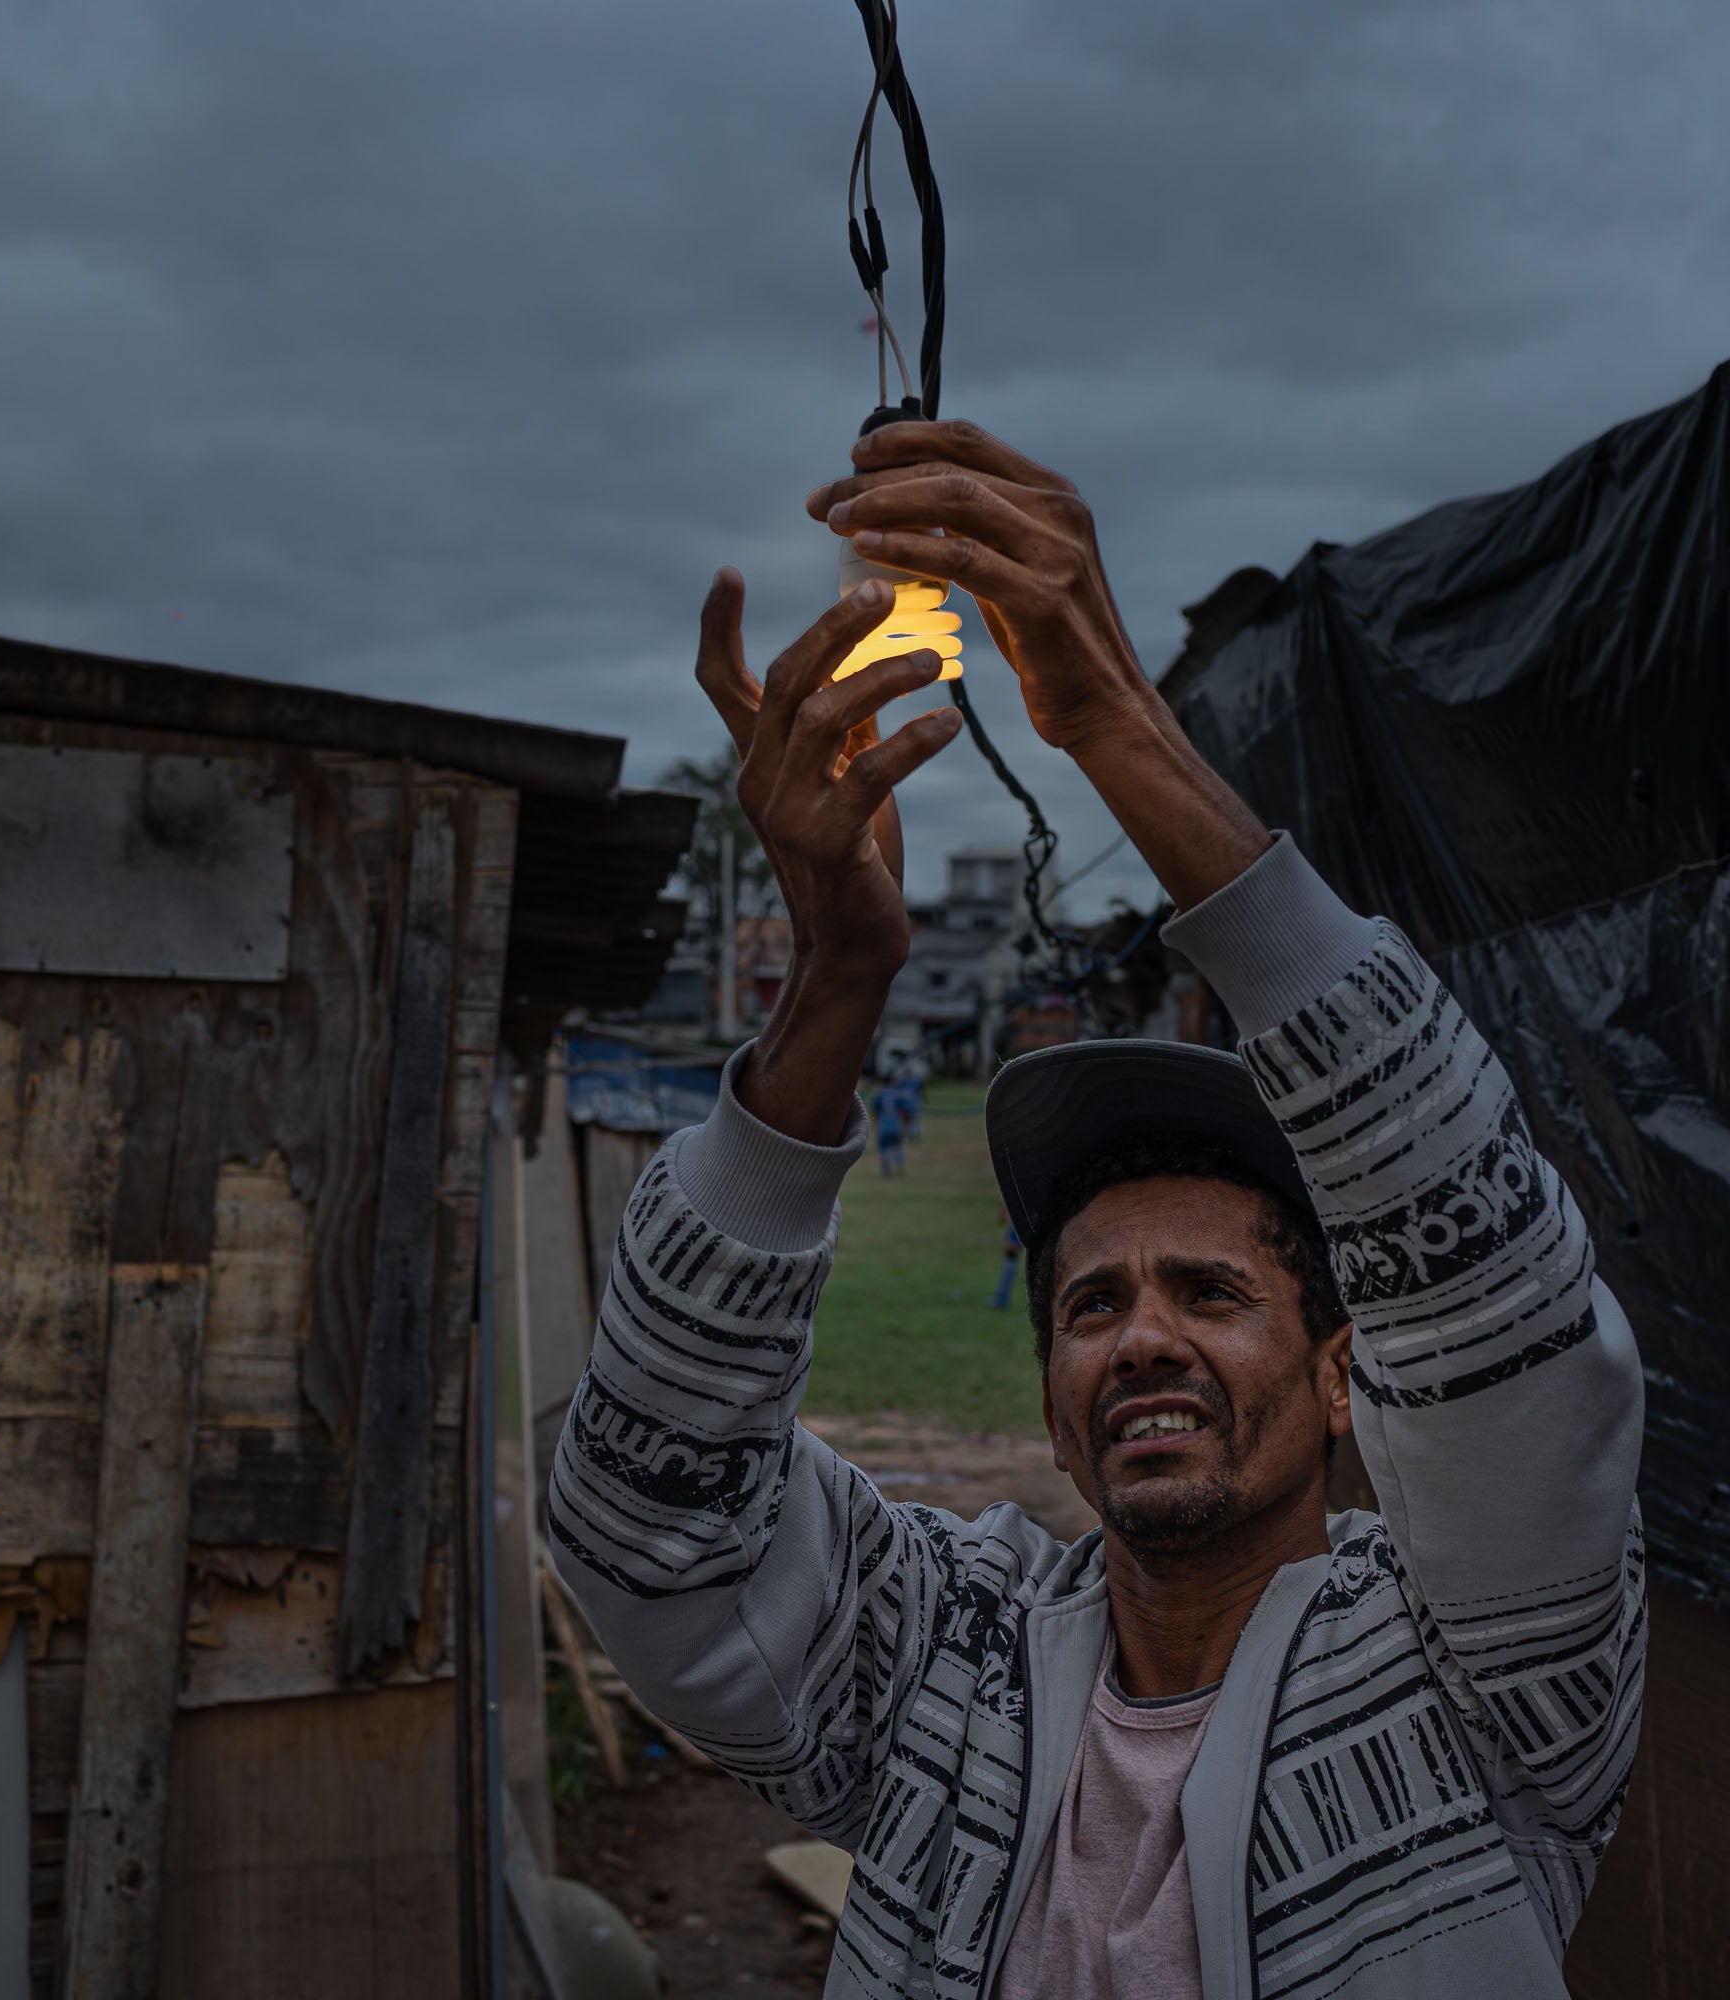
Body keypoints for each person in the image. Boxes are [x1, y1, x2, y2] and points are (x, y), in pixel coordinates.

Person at [546, 420, 1644, 2000]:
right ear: (1052, 1399)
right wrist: (839, 976)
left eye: (1209, 1291)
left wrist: (1115, 719)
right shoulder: (949, 1665)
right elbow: (646, 1521)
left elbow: (1500, 1293)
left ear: (1344, 1372)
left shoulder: (1476, 1676)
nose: (1139, 1336)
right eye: (1090, 1302)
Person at [988, 1206, 1022, 1312]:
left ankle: (1002, 1299)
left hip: (1019, 1216)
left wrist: (1004, 1210)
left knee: (1011, 1252)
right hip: (1018, 1215)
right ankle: (1001, 1298)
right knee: (1011, 1253)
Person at [872, 1086, 905, 1177]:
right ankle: (899, 1166)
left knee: (883, 1148)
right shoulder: (898, 1094)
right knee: (897, 1147)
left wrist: (873, 1124)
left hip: (883, 1126)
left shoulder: (879, 1095)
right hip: (895, 1125)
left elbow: (875, 1111)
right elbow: (903, 1111)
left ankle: (886, 1169)